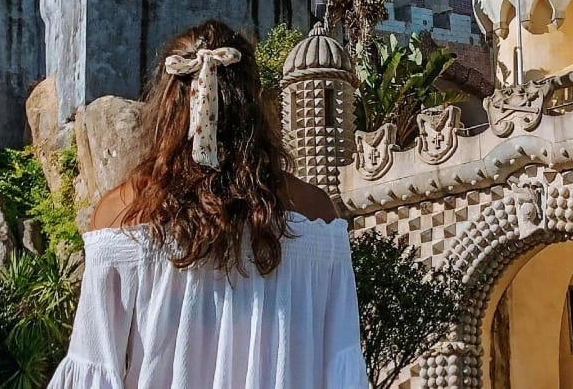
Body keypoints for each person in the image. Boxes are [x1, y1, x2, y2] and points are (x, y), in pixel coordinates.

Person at [48, 20, 368, 388]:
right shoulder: (315, 216)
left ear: (166, 104)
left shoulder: (121, 216)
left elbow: (92, 369)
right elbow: (341, 368)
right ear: (253, 103)